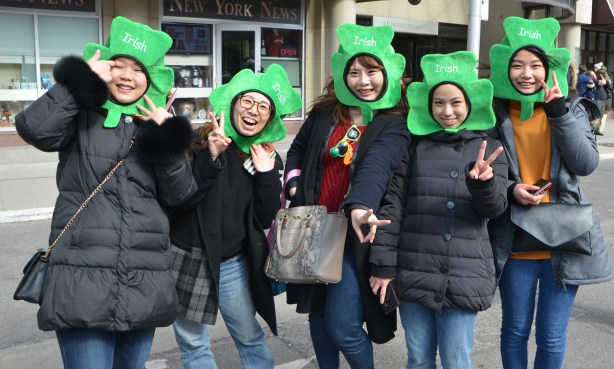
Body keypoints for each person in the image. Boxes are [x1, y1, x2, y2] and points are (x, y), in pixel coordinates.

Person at [14, 16, 198, 369]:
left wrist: (167, 140)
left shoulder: (155, 126)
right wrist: (75, 84)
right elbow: (34, 129)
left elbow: (181, 195)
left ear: (152, 80)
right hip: (81, 279)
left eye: (138, 70)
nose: (127, 76)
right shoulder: (80, 116)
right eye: (118, 65)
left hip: (143, 277)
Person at [347, 50, 509, 369]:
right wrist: (383, 266)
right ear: (428, 105)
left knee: (456, 360)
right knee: (418, 359)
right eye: (439, 103)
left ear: (470, 103)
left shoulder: (488, 149)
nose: (447, 111)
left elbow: (496, 208)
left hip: (463, 275)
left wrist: (482, 183)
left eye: (455, 102)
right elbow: (392, 206)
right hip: (414, 269)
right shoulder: (415, 146)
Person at [487, 16, 612, 369]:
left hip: (565, 238)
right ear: (505, 69)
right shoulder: (493, 113)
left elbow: (585, 163)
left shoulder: (571, 107)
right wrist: (511, 189)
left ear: (550, 68)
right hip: (514, 236)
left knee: (552, 335)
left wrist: (557, 111)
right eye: (517, 65)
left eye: (535, 65)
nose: (526, 74)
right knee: (514, 330)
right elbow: (485, 169)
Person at [283, 23, 410, 368]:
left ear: (388, 74)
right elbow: (296, 151)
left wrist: (358, 207)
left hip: (357, 235)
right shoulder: (326, 113)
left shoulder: (395, 122)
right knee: (318, 314)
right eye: (354, 72)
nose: (363, 80)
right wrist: (293, 184)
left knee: (344, 325)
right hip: (315, 228)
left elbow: (378, 166)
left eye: (372, 71)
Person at [168, 64, 302, 369]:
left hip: (232, 263)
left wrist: (267, 174)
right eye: (248, 102)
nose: (254, 110)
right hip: (188, 257)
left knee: (250, 336)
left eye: (264, 107)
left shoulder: (265, 154)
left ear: (270, 118)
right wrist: (211, 157)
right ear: (233, 103)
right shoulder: (195, 142)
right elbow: (180, 199)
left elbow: (267, 216)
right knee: (193, 344)